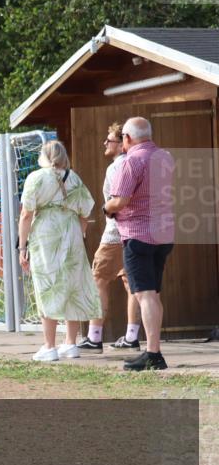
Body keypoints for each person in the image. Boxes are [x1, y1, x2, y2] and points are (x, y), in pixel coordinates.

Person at [17, 141, 101, 362]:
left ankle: (49, 346)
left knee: (48, 285)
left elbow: (26, 214)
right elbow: (86, 213)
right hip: (71, 232)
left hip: (46, 235)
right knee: (72, 285)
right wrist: (79, 234)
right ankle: (71, 344)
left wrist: (22, 246)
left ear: (44, 156)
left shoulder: (35, 178)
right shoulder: (74, 178)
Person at [104, 117, 175, 371]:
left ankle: (153, 354)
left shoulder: (132, 161)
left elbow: (119, 201)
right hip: (164, 234)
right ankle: (154, 351)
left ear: (128, 138)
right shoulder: (165, 157)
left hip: (138, 235)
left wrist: (106, 208)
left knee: (145, 295)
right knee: (153, 294)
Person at [78, 122, 142, 354]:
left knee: (98, 279)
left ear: (123, 143)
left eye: (109, 140)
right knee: (132, 284)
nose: (105, 143)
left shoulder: (117, 167)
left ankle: (95, 338)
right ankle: (131, 336)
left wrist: (107, 210)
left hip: (115, 233)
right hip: (135, 232)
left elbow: (117, 201)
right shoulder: (136, 164)